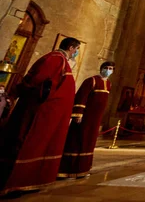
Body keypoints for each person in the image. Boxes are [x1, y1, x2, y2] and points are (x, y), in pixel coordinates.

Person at [0, 38, 79, 195]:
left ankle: (30, 180)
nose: (76, 53)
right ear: (71, 48)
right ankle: (15, 182)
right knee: (27, 143)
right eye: (76, 49)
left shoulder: (61, 60)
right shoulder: (55, 59)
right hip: (40, 113)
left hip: (49, 115)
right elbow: (35, 81)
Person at [58, 61, 115, 179]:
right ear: (101, 68)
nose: (108, 70)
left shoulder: (109, 84)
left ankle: (83, 169)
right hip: (85, 117)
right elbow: (81, 97)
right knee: (77, 140)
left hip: (95, 119)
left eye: (111, 68)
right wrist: (78, 114)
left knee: (89, 142)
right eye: (107, 68)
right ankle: (68, 169)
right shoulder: (91, 80)